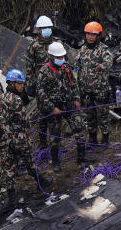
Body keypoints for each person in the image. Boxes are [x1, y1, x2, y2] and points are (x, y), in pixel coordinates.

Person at [36, 41, 85, 170]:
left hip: (69, 105)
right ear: (51, 56)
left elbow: (73, 83)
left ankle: (81, 158)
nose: (61, 59)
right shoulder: (44, 72)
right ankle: (55, 161)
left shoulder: (66, 67)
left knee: (79, 130)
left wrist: (76, 98)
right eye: (58, 57)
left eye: (62, 56)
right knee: (55, 136)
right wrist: (52, 108)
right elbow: (40, 93)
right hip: (54, 108)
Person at [0, 68, 47, 192]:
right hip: (19, 138)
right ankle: (42, 183)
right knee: (30, 163)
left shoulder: (1, 97)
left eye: (23, 83)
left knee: (10, 169)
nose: (22, 86)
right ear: (11, 84)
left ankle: (12, 197)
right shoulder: (16, 100)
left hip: (6, 139)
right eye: (19, 83)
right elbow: (25, 120)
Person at [77, 20, 115, 150]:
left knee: (103, 116)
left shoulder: (103, 50)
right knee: (90, 116)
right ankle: (92, 140)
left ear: (98, 35)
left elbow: (109, 63)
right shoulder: (83, 49)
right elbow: (78, 66)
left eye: (93, 35)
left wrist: (101, 66)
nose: (90, 37)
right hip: (87, 91)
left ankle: (105, 140)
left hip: (101, 90)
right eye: (88, 34)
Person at [25, 14, 55, 101]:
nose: (47, 30)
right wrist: (30, 85)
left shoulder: (56, 43)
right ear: (38, 30)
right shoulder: (33, 46)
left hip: (56, 81)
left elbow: (64, 62)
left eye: (49, 27)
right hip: (41, 82)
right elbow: (29, 66)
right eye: (44, 28)